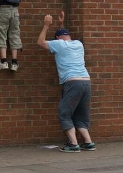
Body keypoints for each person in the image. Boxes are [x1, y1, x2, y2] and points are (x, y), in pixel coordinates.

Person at [37, 11, 95, 153]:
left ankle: (73, 144)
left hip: (72, 81)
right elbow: (63, 37)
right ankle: (88, 142)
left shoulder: (59, 45)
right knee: (81, 114)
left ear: (57, 39)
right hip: (86, 81)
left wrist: (46, 25)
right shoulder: (78, 44)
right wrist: (61, 24)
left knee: (64, 112)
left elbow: (41, 42)